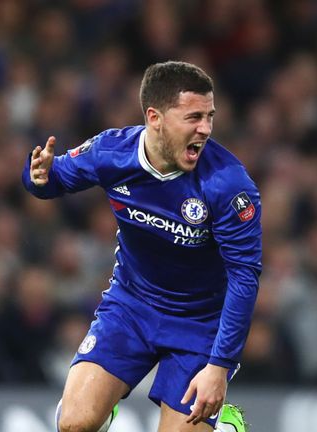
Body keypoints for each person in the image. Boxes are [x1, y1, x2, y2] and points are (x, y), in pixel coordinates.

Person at [22, 61, 261, 432]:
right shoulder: (112, 153)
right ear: (155, 117)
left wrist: (220, 366)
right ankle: (104, 408)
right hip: (131, 307)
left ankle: (225, 422)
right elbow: (52, 180)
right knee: (74, 425)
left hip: (199, 325)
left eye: (210, 116)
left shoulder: (229, 185)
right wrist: (36, 176)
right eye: (194, 117)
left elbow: (245, 278)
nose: (206, 129)